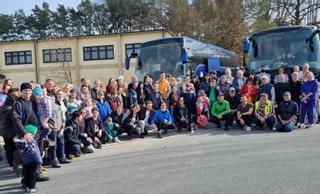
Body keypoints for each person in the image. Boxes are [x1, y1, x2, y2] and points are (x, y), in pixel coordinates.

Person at [12, 82, 46, 192]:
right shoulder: (18, 103)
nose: (28, 92)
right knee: (34, 160)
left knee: (30, 161)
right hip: (26, 137)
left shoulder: (32, 101)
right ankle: (30, 185)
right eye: (25, 90)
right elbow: (16, 119)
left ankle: (26, 182)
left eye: (29, 91)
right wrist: (25, 133)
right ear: (21, 91)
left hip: (37, 134)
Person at [54, 90, 71, 164]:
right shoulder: (54, 102)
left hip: (63, 123)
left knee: (61, 142)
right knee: (56, 143)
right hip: (57, 124)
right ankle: (57, 157)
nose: (60, 95)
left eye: (61, 94)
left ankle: (62, 157)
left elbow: (66, 113)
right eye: (58, 94)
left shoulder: (64, 102)